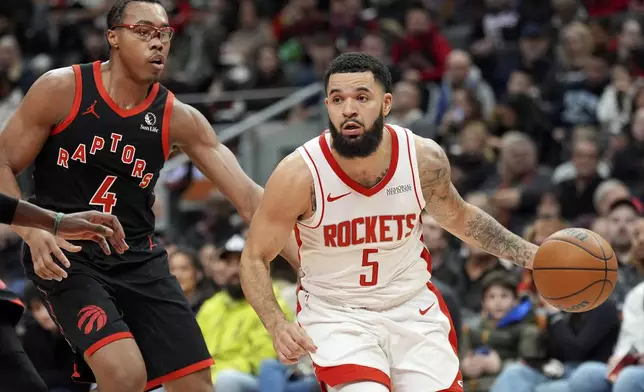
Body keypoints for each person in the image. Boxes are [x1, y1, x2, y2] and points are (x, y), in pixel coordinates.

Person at [0, 1, 296, 391]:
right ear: (113, 37)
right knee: (125, 375)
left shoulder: (178, 117)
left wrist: (310, 261)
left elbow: (251, 199)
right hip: (65, 252)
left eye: (164, 33)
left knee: (195, 385)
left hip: (138, 257)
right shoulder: (62, 89)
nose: (157, 42)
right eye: (143, 31)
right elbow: (3, 162)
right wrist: (33, 231)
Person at [240, 52, 540, 392]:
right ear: (327, 105)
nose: (348, 109)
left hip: (411, 307)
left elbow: (461, 217)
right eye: (337, 99)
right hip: (338, 314)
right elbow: (254, 256)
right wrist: (276, 322)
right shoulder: (299, 174)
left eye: (361, 97)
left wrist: (534, 257)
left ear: (385, 104)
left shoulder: (421, 159)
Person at [0, 193, 126, 392]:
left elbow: (4, 204)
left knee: (27, 385)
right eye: (37, 308)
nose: (42, 314)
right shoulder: (32, 331)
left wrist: (57, 222)